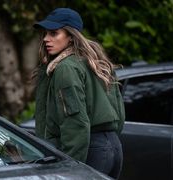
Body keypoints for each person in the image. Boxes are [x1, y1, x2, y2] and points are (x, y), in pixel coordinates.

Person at [32, 8, 125, 179]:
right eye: (45, 33)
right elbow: (119, 115)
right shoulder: (98, 63)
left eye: (54, 33)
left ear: (71, 36)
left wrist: (69, 169)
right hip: (114, 147)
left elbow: (75, 124)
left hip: (89, 150)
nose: (46, 39)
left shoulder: (66, 68)